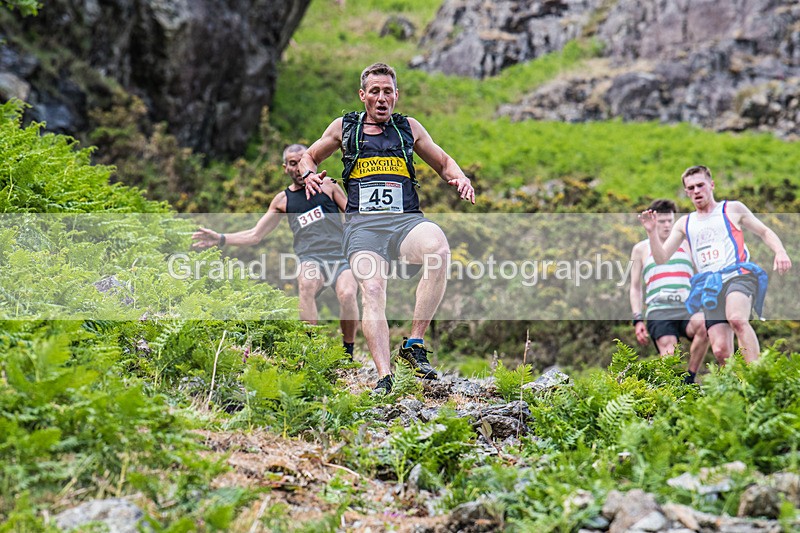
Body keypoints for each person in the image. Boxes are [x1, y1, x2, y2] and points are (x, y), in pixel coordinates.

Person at [300, 62, 475, 394]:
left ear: (396, 95)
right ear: (363, 95)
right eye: (375, 92)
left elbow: (443, 162)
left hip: (405, 222)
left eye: (387, 92)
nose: (381, 99)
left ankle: (414, 345)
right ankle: (384, 376)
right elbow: (309, 156)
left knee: (438, 248)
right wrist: (309, 174)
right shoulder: (344, 127)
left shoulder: (408, 128)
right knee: (374, 288)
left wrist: (460, 177)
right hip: (363, 229)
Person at [192, 144, 359, 356]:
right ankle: (311, 350)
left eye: (302, 161)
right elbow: (255, 234)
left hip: (340, 255)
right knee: (306, 284)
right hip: (311, 257)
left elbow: (355, 217)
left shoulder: (329, 186)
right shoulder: (283, 200)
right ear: (285, 168)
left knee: (347, 293)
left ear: (313, 162)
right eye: (293, 163)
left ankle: (348, 351)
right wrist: (222, 238)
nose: (299, 168)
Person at [639, 165, 791, 364]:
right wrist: (651, 233)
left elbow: (764, 231)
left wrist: (780, 251)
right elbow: (661, 258)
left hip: (738, 274)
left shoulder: (732, 209)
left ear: (711, 185)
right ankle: (737, 386)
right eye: (691, 188)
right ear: (686, 192)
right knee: (720, 350)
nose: (696, 191)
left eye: (700, 185)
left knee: (737, 318)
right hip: (710, 286)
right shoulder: (684, 223)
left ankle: (756, 374)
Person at [630, 199, 709, 383]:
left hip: (687, 307)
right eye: (662, 221)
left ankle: (690, 377)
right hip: (659, 309)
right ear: (653, 220)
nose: (666, 226)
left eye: (669, 221)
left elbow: (704, 274)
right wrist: (637, 319)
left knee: (706, 325)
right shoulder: (641, 249)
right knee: (669, 356)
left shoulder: (688, 244)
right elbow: (635, 286)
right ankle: (671, 390)